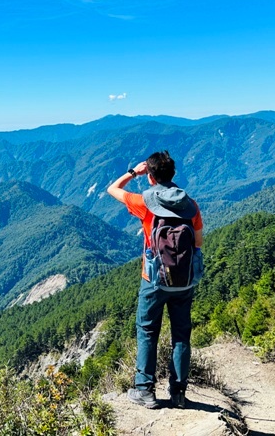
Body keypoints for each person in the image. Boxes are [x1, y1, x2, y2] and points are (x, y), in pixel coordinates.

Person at [107, 150, 203, 409]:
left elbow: (112, 189)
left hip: (153, 279)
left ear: (150, 176)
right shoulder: (191, 205)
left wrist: (132, 172)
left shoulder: (145, 202)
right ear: (173, 173)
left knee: (148, 332)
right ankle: (179, 393)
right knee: (181, 335)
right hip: (184, 280)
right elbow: (198, 243)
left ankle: (145, 391)